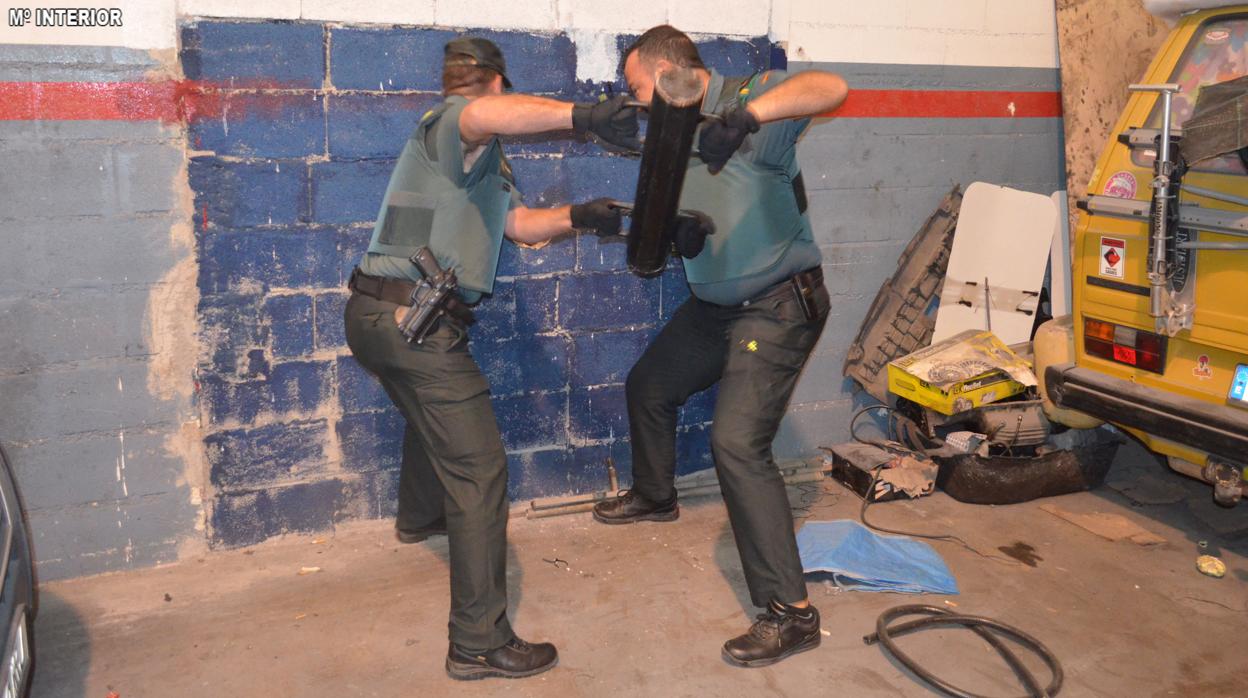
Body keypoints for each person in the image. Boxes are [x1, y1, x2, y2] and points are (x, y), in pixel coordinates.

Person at [343, 36, 637, 681]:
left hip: (382, 318)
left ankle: (420, 520)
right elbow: (476, 115)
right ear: (499, 85)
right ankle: (477, 643)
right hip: (411, 322)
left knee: (434, 421)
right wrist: (582, 117)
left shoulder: (479, 160)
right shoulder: (453, 123)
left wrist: (582, 217)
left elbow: (520, 225)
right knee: (480, 470)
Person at [591, 25, 849, 668]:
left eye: (637, 86)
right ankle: (656, 495)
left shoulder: (749, 98)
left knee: (736, 442)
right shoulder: (669, 138)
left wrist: (748, 117)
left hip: (779, 306)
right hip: (715, 308)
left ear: (669, 69)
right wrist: (675, 232)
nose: (636, 100)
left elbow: (830, 87)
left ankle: (792, 614)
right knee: (650, 385)